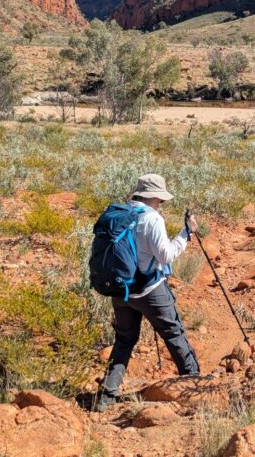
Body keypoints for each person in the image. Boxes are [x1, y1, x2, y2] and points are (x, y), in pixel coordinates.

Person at [96, 174, 201, 412]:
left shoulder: (121, 213)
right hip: (149, 290)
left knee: (124, 340)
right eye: (161, 199)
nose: (161, 203)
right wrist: (187, 233)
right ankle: (194, 384)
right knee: (173, 333)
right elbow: (165, 256)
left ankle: (107, 396)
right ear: (154, 196)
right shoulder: (151, 218)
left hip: (121, 291)